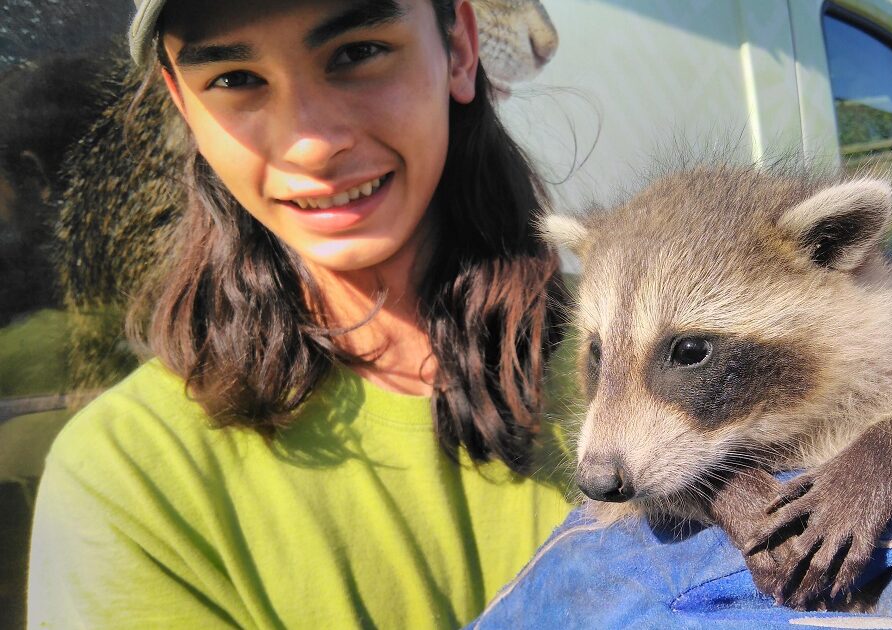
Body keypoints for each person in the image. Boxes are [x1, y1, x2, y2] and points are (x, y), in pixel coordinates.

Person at [26, 0, 578, 627]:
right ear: (184, 105)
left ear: (458, 48)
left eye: (358, 52)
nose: (312, 143)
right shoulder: (130, 481)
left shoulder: (664, 354)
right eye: (235, 80)